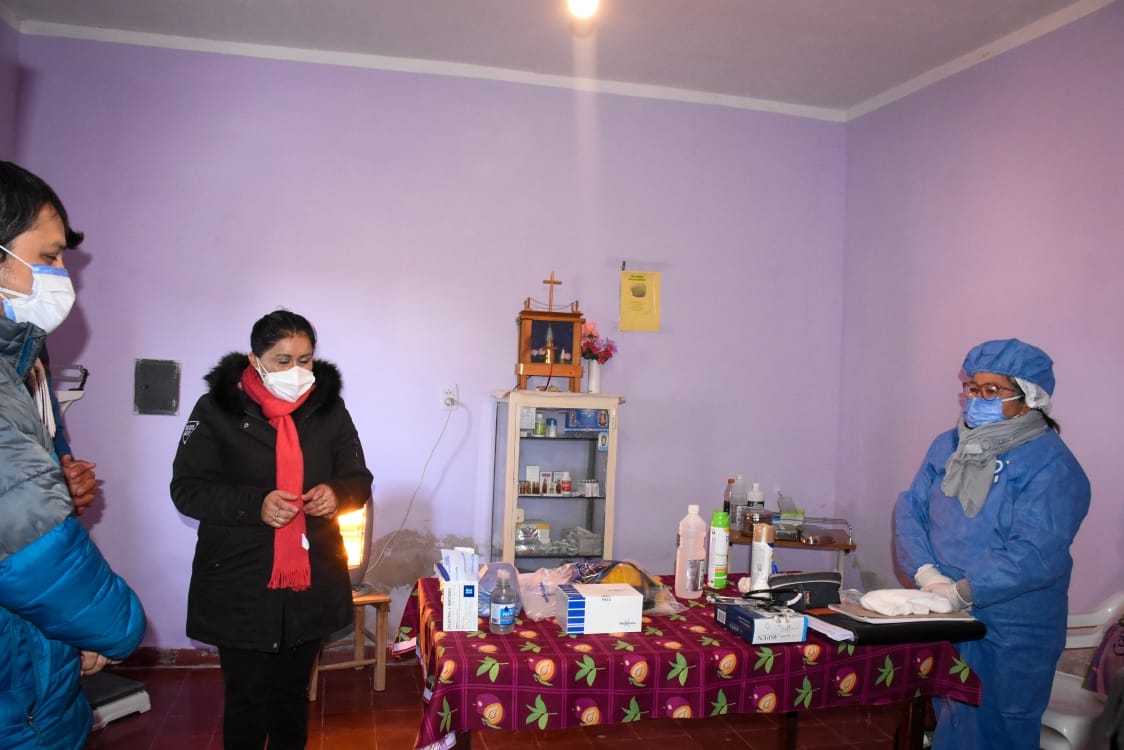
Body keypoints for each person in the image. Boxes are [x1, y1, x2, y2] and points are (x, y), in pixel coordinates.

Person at [170, 309, 373, 750]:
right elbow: (187, 490)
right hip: (240, 581)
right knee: (246, 701)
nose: (296, 371)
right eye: (283, 360)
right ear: (255, 360)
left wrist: (336, 494)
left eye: (305, 359)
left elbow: (359, 480)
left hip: (310, 580)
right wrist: (255, 505)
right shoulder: (217, 409)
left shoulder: (328, 409)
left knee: (292, 698)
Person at [0, 160, 146, 748]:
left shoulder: (25, 361)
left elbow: (26, 484)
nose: (64, 276)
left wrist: (55, 483)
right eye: (49, 256)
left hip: (32, 672)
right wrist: (111, 629)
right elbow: (29, 543)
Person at [895, 338, 1091, 749]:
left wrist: (963, 592)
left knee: (1000, 724)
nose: (976, 399)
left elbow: (1035, 553)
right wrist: (927, 574)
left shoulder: (1051, 465)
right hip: (944, 608)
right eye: (973, 388)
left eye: (992, 391)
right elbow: (912, 509)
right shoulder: (948, 446)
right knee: (952, 714)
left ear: (1029, 399)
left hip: (1012, 624)